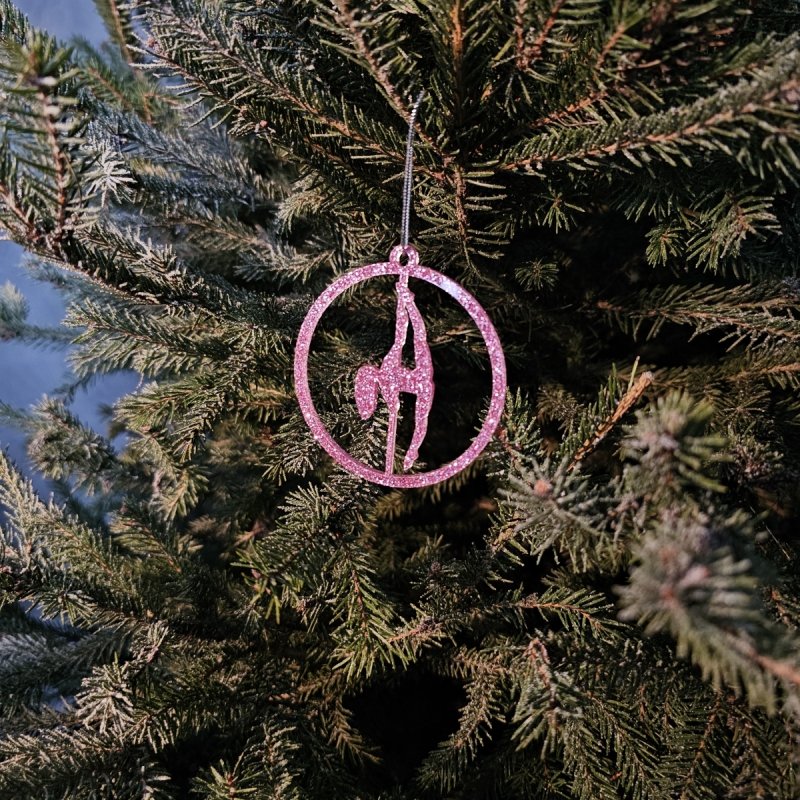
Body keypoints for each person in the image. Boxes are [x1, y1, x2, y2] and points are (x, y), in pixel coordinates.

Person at [354, 281, 434, 472]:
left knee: (410, 340)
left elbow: (407, 332)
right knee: (418, 417)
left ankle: (409, 456)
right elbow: (407, 332)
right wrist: (406, 301)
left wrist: (407, 301)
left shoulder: (415, 377)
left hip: (405, 380)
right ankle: (408, 456)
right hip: (399, 380)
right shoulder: (398, 371)